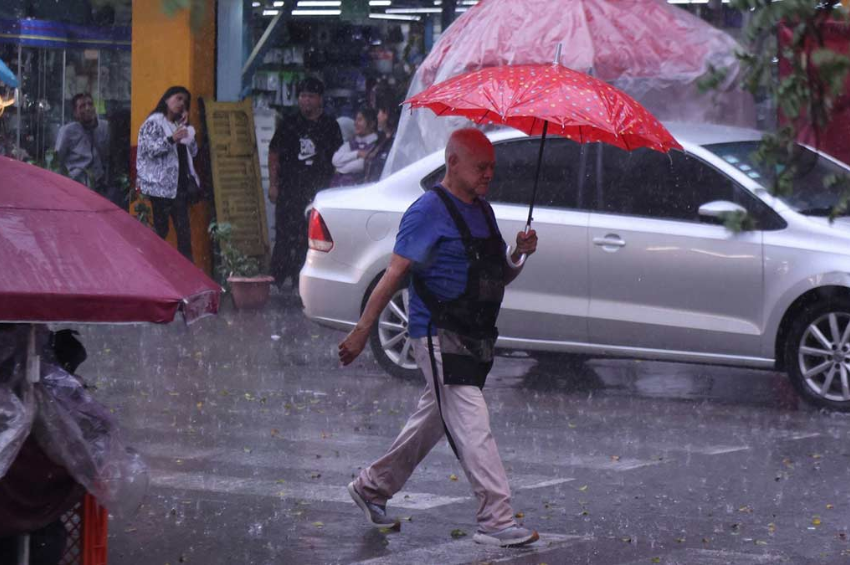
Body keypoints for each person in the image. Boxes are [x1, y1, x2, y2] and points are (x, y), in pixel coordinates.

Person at [338, 128, 540, 548]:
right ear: (453, 163)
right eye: (481, 167)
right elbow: (394, 274)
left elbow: (497, 273)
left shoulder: (482, 210)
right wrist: (361, 332)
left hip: (473, 334)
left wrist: (518, 253)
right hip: (436, 332)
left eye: (492, 168)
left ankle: (371, 487)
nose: (489, 174)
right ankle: (496, 518)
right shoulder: (428, 210)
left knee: (433, 419)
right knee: (471, 421)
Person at [268, 77, 342, 288]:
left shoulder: (330, 126)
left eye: (310, 96)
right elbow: (274, 153)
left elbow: (339, 158)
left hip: (317, 191)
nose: (305, 101)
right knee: (283, 234)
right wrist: (273, 184)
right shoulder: (288, 123)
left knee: (309, 237)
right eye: (302, 96)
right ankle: (277, 278)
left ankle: (304, 280)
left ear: (320, 99)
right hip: (289, 188)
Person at [136, 86, 200, 262]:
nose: (181, 104)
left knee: (184, 233)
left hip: (178, 187)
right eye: (178, 98)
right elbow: (149, 149)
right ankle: (154, 267)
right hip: (160, 188)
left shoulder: (178, 125)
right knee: (161, 231)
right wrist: (172, 139)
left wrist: (188, 129)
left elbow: (193, 152)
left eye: (185, 101)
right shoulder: (154, 122)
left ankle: (187, 274)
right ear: (166, 99)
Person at [55, 93, 110, 194]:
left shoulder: (104, 127)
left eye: (90, 104)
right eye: (82, 106)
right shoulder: (67, 131)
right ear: (75, 112)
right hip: (77, 187)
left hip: (100, 187)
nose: (87, 108)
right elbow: (57, 160)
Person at [330, 107, 379, 187]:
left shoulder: (376, 144)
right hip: (338, 188)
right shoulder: (351, 143)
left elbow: (360, 165)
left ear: (372, 123)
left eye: (360, 120)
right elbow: (335, 160)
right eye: (355, 119)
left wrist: (339, 169)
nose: (355, 123)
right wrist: (358, 153)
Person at [363, 103, 399, 183]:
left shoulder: (397, 141)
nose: (377, 116)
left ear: (386, 114)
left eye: (379, 112)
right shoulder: (381, 139)